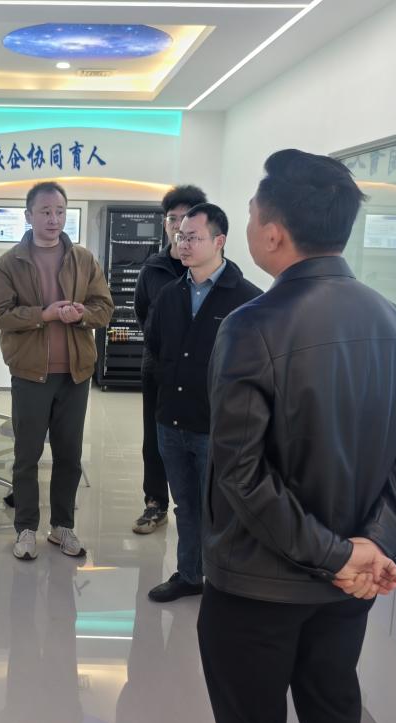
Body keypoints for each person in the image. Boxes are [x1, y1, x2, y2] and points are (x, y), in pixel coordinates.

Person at [199, 149, 396, 723]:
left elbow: (240, 472)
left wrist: (339, 556)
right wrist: (374, 546)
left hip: (259, 584)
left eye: (252, 213)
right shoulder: (395, 323)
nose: (249, 224)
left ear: (274, 233)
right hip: (348, 588)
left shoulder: (251, 325)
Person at [0, 181, 114, 561]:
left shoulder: (83, 259)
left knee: (69, 455)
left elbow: (104, 309)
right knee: (26, 455)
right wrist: (42, 315)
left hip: (75, 373)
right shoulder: (10, 263)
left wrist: (82, 314)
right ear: (29, 215)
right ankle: (26, 528)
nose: (53, 219)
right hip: (30, 373)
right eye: (45, 211)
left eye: (59, 211)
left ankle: (62, 526)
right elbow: (0, 315)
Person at [145, 203, 261, 603]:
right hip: (171, 421)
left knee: (223, 509)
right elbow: (155, 348)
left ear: (219, 241)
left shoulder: (247, 300)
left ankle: (227, 583)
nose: (183, 244)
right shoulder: (169, 295)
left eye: (193, 237)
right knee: (186, 506)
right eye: (180, 236)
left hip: (218, 427)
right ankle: (190, 574)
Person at [132, 184, 208, 534]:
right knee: (155, 438)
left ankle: (201, 507)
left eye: (186, 218)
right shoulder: (153, 269)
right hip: (159, 369)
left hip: (203, 374)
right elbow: (143, 316)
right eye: (172, 219)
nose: (179, 226)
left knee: (201, 438)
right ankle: (155, 503)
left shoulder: (214, 268)